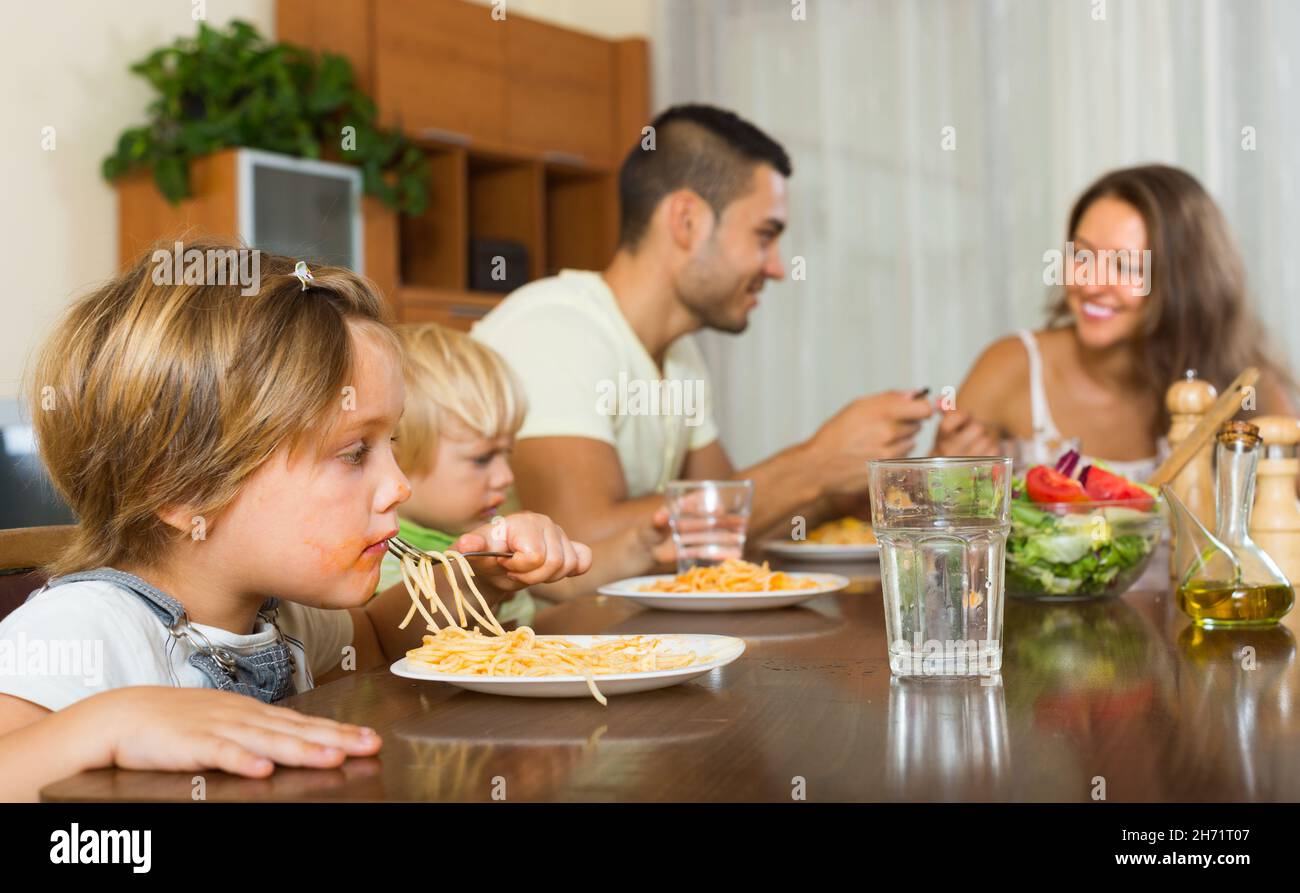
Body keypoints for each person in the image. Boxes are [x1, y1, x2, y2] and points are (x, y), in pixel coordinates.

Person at [0, 241, 591, 801]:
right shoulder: (86, 628)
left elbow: (382, 638)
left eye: (393, 441)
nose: (400, 485)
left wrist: (480, 576)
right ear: (186, 488)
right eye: (355, 453)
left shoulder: (285, 615)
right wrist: (106, 724)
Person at [474, 104, 932, 547]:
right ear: (687, 220)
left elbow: (728, 527)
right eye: (765, 235)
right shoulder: (554, 332)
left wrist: (860, 484)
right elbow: (582, 546)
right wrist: (815, 464)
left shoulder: (680, 356)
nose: (776, 267)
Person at [934, 164, 1299, 477]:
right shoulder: (1011, 367)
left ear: (1184, 283)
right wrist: (949, 469)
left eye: (1125, 266)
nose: (1091, 284)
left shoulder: (1244, 386)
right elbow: (926, 516)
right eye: (1081, 256)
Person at [377, 322, 671, 620]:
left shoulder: (491, 536)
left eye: (506, 453)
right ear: (393, 457)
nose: (506, 477)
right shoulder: (380, 566)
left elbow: (565, 586)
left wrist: (640, 547)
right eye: (482, 459)